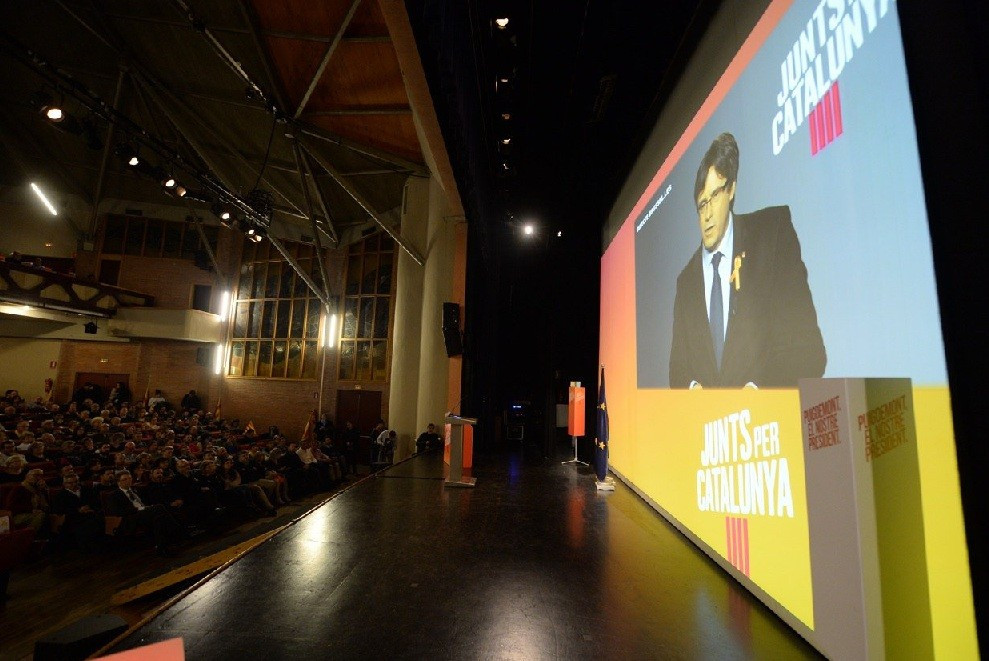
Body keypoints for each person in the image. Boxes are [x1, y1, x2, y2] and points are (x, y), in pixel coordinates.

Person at [668, 132, 826, 389]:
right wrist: (692, 388)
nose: (706, 215)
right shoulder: (686, 282)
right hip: (708, 427)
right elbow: (678, 371)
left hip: (770, 423)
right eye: (701, 205)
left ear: (731, 190)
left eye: (714, 197)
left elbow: (809, 349)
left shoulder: (772, 234)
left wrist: (758, 393)